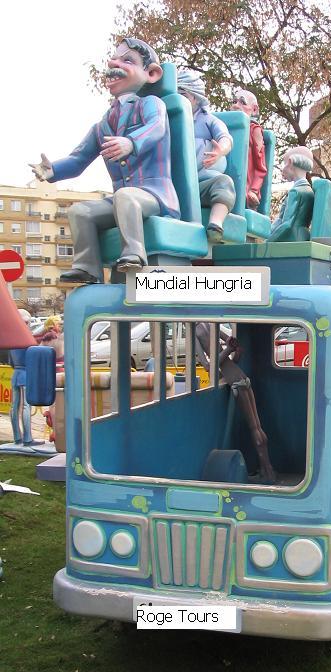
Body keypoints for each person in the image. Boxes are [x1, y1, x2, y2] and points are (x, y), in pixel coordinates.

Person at [30, 38, 180, 283]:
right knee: (80, 211)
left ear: (151, 73)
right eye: (114, 59)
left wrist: (131, 142)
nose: (114, 64)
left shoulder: (151, 104)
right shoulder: (102, 125)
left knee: (126, 197)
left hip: (155, 194)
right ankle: (87, 267)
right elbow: (79, 159)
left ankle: (134, 254)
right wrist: (53, 170)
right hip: (122, 199)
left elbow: (157, 127)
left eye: (127, 60)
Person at [195, 323, 275, 484]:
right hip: (242, 377)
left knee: (254, 428)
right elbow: (237, 350)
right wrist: (230, 349)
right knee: (257, 427)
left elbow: (208, 366)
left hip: (235, 382)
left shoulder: (194, 332)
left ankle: (268, 475)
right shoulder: (211, 324)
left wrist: (227, 351)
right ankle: (268, 470)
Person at [177, 70, 236, 243]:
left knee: (224, 183)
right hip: (172, 184)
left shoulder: (209, 120)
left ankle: (215, 223)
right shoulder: (167, 119)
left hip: (201, 182)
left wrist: (220, 151)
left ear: (195, 98)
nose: (178, 99)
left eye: (183, 94)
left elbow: (225, 138)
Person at [8, 310, 44, 448]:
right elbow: (34, 359)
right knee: (25, 406)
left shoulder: (12, 340)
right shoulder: (27, 339)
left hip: (16, 374)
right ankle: (27, 438)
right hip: (25, 374)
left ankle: (17, 437)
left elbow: (11, 362)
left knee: (14, 406)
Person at [231, 88, 267, 210]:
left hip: (245, 188)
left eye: (242, 102)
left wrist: (254, 190)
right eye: (234, 101)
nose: (236, 106)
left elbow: (260, 167)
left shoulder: (254, 130)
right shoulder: (224, 127)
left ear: (254, 109)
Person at [269, 147, 315, 242]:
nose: (283, 170)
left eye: (284, 164)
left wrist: (268, 241)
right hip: (303, 237)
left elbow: (287, 224)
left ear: (290, 162)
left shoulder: (296, 191)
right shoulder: (309, 191)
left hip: (291, 238)